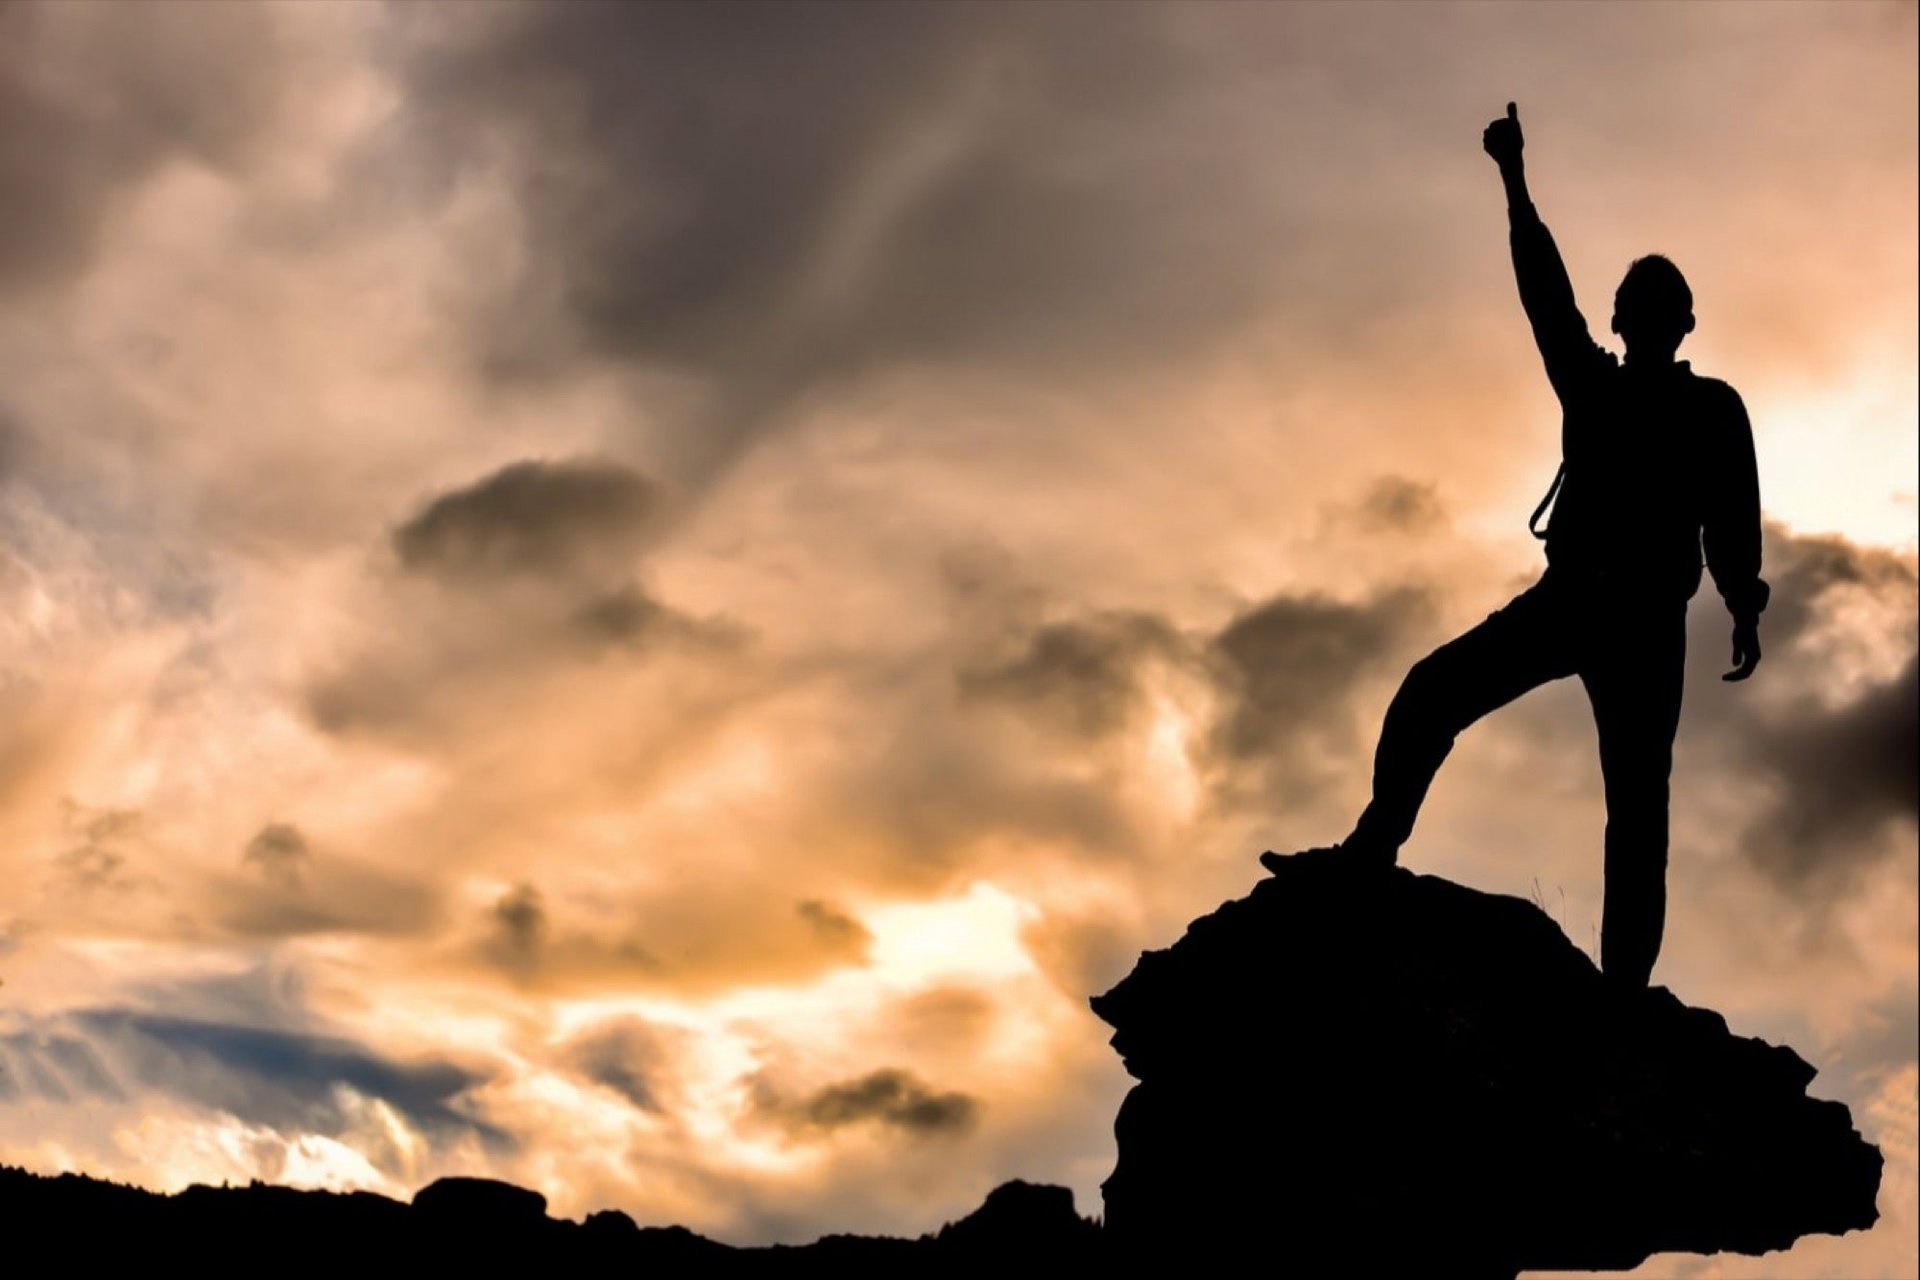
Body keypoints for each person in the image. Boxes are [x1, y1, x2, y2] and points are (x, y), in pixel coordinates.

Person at [1328, 102, 1768, 990]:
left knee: (1630, 803)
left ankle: (1623, 993)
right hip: (1587, 603)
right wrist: (1514, 181)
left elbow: (1732, 519)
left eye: (1653, 307)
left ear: (1671, 323)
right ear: (1642, 321)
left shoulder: (1687, 404)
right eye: (1639, 307)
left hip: (1630, 616)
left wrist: (1743, 604)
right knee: (1445, 701)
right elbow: (1544, 292)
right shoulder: (1626, 391)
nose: (1643, 319)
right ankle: (1377, 846)